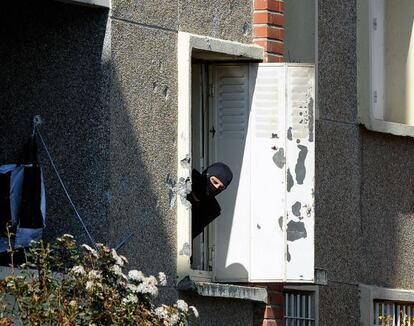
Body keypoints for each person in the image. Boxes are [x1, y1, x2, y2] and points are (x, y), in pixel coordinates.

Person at [187, 162, 233, 239]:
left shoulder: (211, 210)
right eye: (214, 182)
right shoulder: (186, 180)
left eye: (221, 188)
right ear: (206, 174)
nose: (216, 188)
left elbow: (189, 235)